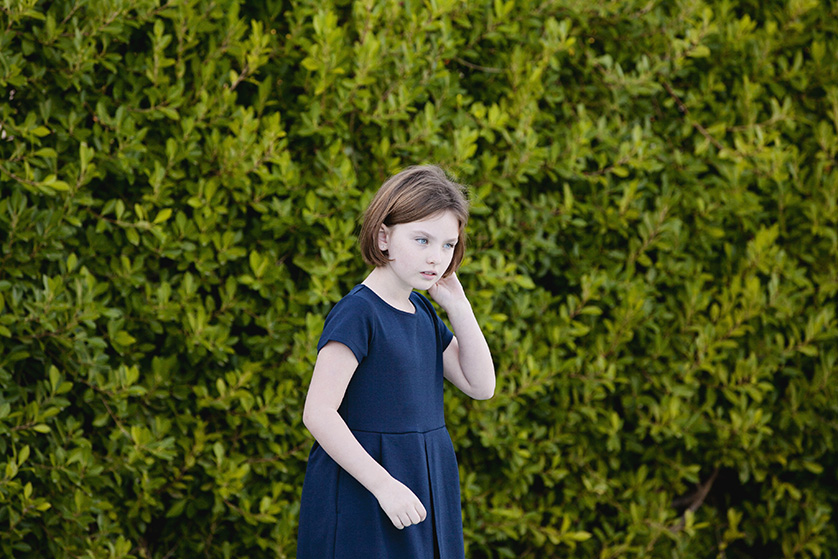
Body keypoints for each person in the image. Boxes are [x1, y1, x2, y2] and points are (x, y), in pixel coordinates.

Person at [296, 165, 496, 559]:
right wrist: (383, 485)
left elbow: (480, 385)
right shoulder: (358, 312)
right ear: (383, 235)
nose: (436, 257)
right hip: (367, 490)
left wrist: (459, 306)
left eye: (447, 245)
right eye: (422, 240)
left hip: (424, 479)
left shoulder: (421, 311)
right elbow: (318, 413)